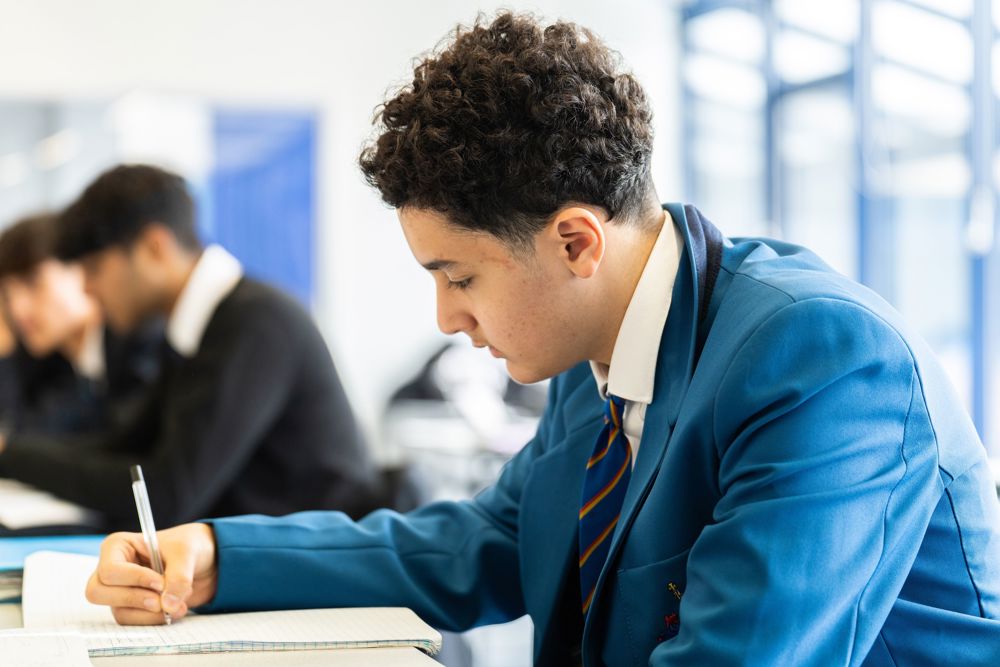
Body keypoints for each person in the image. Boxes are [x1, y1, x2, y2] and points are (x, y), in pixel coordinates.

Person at [84, 13, 1000, 665]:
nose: (446, 319)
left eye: (460, 276)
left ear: (574, 242)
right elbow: (486, 541)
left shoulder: (824, 361)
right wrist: (217, 557)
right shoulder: (595, 351)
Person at [0, 165, 382, 530]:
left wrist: (12, 455)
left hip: (320, 570)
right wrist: (13, 454)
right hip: (265, 556)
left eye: (94, 269)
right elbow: (124, 446)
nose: (87, 289)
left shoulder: (256, 323)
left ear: (154, 248)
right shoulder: (193, 328)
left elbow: (167, 495)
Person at [0, 212, 161, 436]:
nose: (17, 309)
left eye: (33, 282)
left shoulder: (139, 342)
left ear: (82, 269)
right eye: (7, 296)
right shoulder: (48, 364)